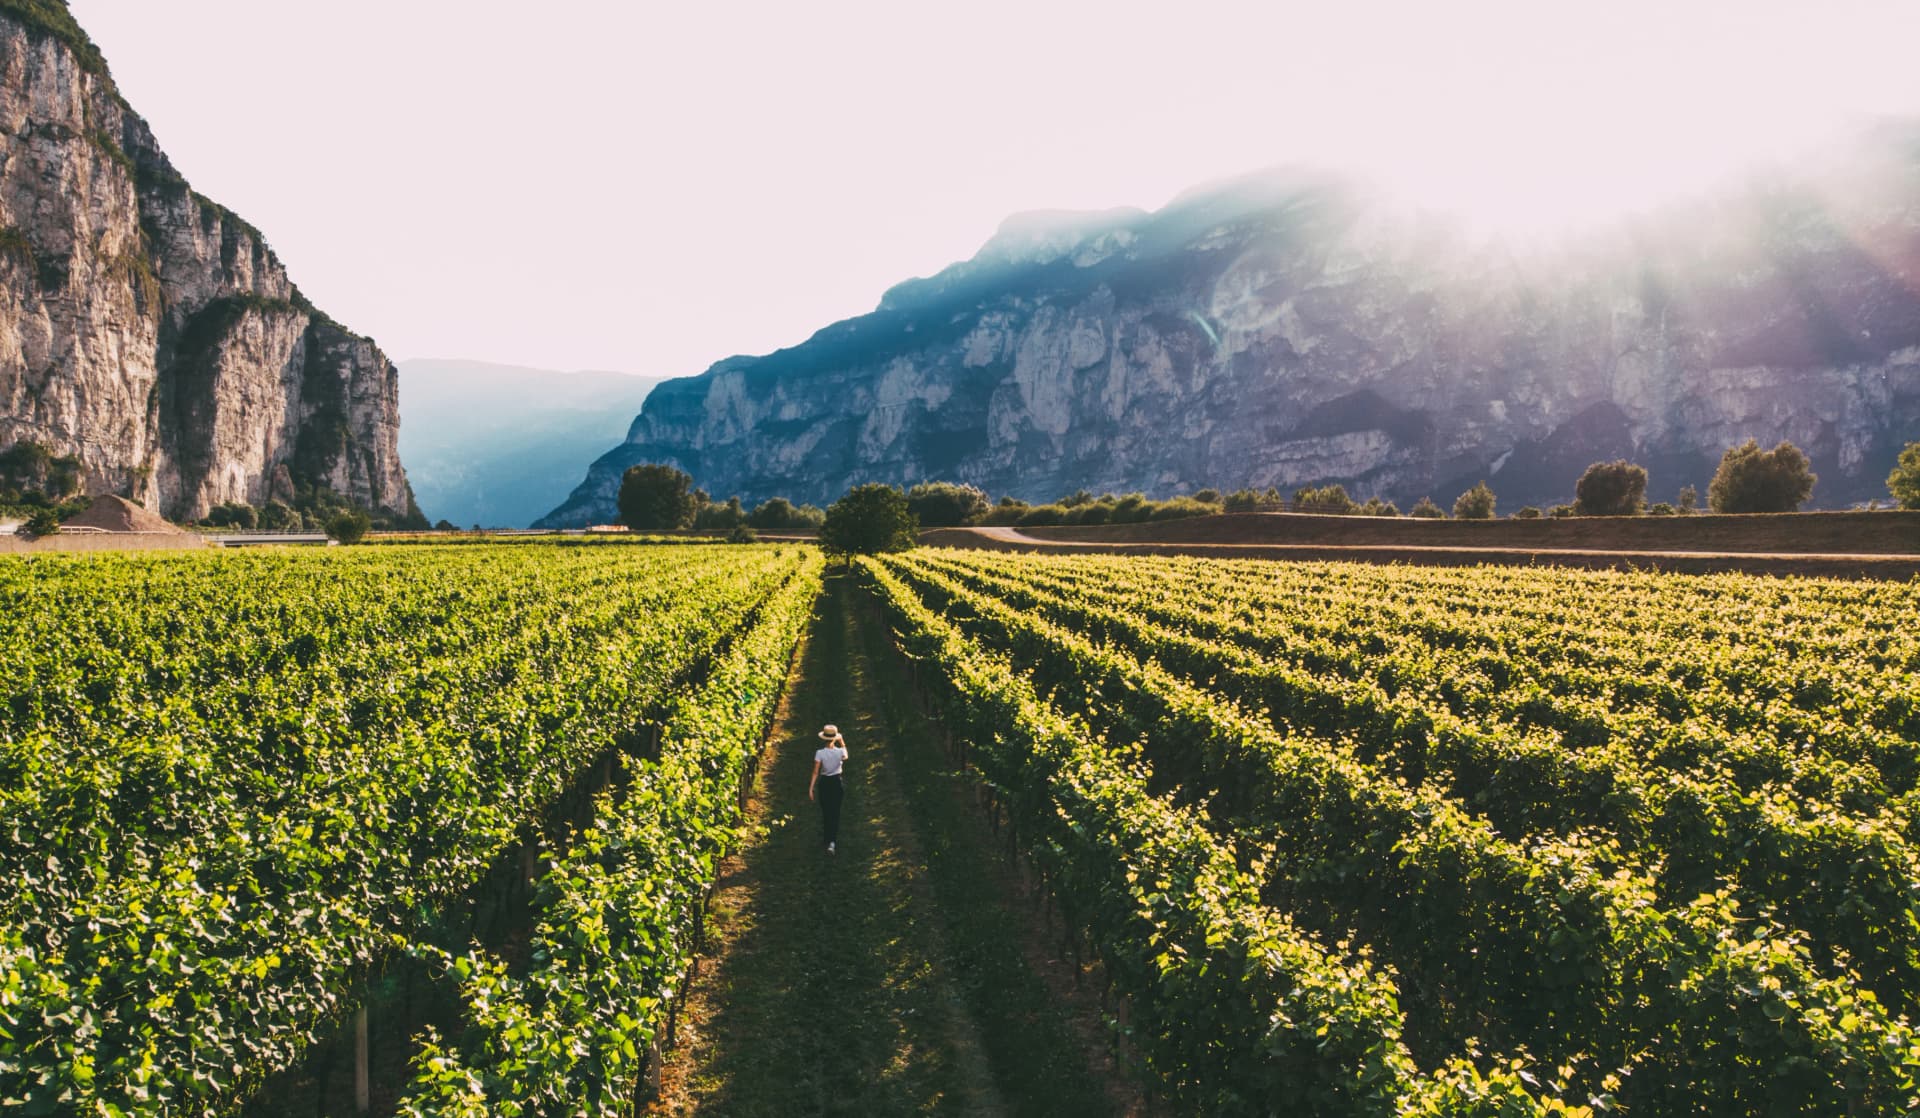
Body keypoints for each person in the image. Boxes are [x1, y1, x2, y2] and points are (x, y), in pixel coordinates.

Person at [810, 723, 849, 853]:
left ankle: (827, 839)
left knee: (826, 812)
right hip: (837, 782)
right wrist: (842, 741)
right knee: (835, 812)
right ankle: (832, 841)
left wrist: (811, 788)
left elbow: (815, 772)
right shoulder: (839, 752)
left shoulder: (819, 753)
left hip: (824, 783)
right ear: (834, 738)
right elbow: (846, 756)